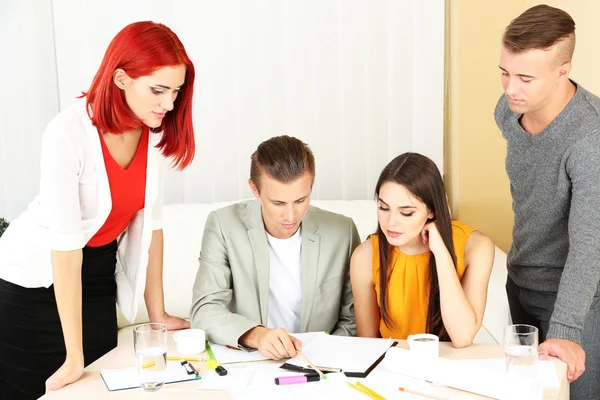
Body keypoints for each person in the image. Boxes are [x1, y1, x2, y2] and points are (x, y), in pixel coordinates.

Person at [0, 21, 195, 399]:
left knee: (101, 387)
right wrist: (74, 356)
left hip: (96, 273)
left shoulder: (153, 130)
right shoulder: (67, 133)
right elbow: (65, 249)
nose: (169, 104)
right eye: (158, 90)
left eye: (175, 90)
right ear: (121, 78)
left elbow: (152, 227)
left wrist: (158, 314)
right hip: (34, 282)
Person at [495, 5, 600, 398]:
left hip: (575, 301)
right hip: (519, 281)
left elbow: (589, 246)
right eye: (504, 72)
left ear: (563, 71)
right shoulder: (508, 110)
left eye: (525, 77)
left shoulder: (590, 139)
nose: (510, 88)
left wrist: (566, 332)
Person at [190, 135, 359, 359]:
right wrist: (257, 336)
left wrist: (319, 356)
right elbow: (204, 309)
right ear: (255, 189)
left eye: (301, 200)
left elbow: (353, 318)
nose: (290, 216)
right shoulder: (223, 225)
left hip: (317, 362)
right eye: (278, 203)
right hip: (251, 359)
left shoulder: (342, 231)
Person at [350, 153, 494, 347]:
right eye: (384, 208)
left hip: (451, 366)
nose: (391, 222)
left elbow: (462, 337)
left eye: (406, 212)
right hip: (392, 365)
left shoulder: (476, 247)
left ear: (431, 210)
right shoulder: (365, 256)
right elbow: (367, 345)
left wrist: (441, 253)